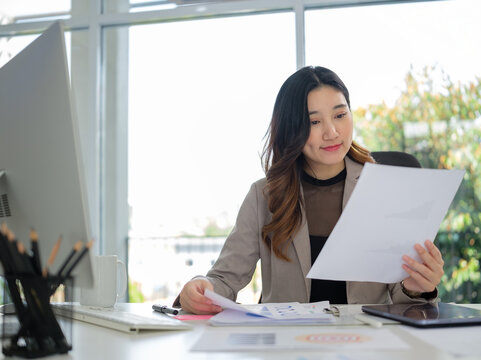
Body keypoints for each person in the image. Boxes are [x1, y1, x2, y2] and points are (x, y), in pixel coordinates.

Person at [175, 66, 444, 315]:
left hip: (366, 340)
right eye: (314, 122)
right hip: (289, 343)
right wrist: (200, 287)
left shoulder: (385, 190)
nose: (331, 132)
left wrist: (417, 285)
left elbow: (406, 299)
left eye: (340, 115)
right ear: (292, 129)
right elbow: (224, 279)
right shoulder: (264, 196)